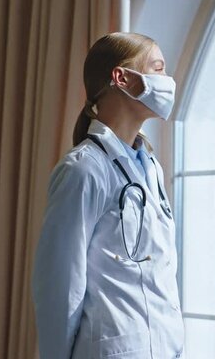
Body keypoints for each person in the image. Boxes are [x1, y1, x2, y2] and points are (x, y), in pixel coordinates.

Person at [31, 32, 185, 359]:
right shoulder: (83, 170)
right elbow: (61, 285)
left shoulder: (150, 168)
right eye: (157, 70)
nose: (167, 82)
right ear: (123, 78)